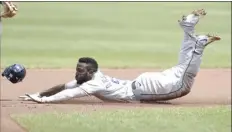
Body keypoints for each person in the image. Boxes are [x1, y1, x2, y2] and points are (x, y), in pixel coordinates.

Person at [19, 9, 220, 103]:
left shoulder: (91, 84)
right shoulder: (92, 78)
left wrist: (44, 101)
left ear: (91, 72)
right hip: (145, 82)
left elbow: (68, 94)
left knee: (184, 81)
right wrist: (40, 94)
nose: (76, 72)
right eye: (77, 69)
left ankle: (198, 43)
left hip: (145, 87)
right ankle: (189, 29)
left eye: (80, 70)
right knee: (180, 70)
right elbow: (63, 87)